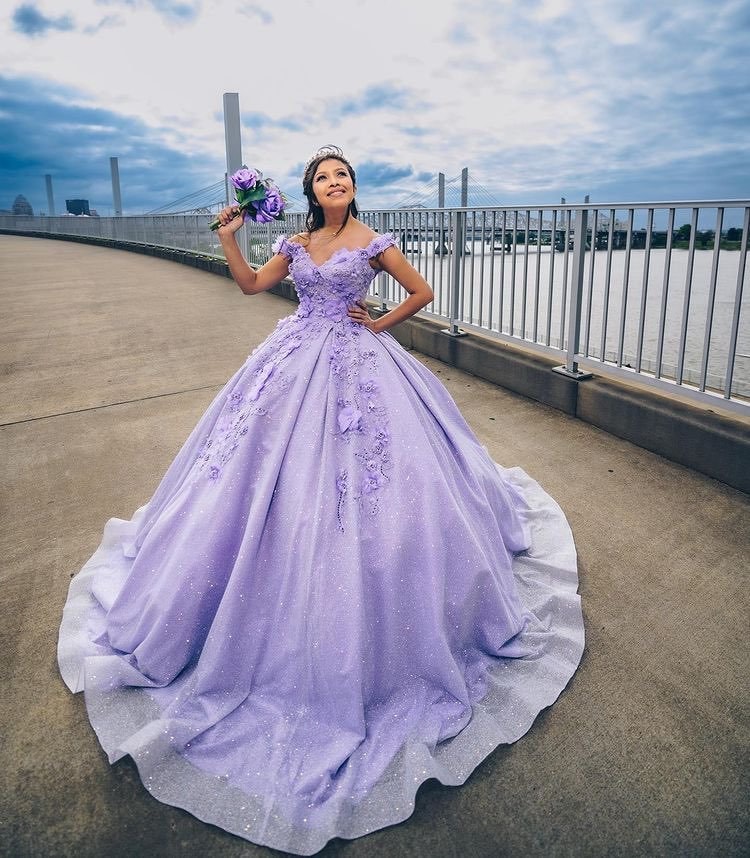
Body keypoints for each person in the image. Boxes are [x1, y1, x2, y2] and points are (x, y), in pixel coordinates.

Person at [58, 145, 585, 855]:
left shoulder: (373, 242)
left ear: (353, 188)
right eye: (323, 177)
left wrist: (378, 324)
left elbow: (422, 293)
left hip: (358, 360)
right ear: (309, 191)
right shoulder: (296, 242)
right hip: (290, 361)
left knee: (377, 489)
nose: (334, 183)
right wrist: (227, 238)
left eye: (343, 176)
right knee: (253, 475)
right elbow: (250, 287)